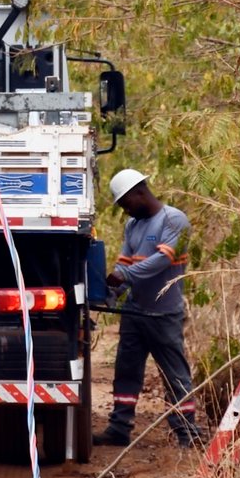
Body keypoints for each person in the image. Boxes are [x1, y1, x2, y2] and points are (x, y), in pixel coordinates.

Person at [97, 169, 202, 450]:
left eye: (126, 203)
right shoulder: (133, 226)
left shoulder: (174, 220)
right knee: (127, 371)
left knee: (175, 374)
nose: (125, 209)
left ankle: (187, 432)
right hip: (134, 313)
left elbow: (161, 261)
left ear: (140, 192)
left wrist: (124, 277)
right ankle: (119, 428)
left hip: (163, 314)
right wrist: (110, 290)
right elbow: (125, 264)